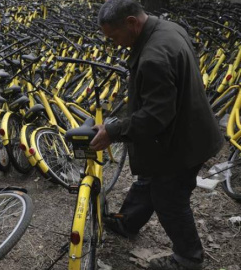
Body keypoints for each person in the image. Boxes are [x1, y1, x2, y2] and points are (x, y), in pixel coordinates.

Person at [92, 0, 225, 269]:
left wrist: (113, 130)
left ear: (131, 22)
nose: (114, 44)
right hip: (189, 127)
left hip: (184, 142)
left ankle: (188, 258)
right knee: (149, 179)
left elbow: (155, 117)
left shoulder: (154, 56)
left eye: (114, 37)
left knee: (170, 199)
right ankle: (127, 221)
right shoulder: (169, 28)